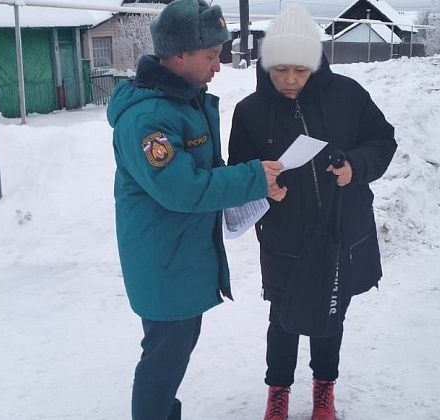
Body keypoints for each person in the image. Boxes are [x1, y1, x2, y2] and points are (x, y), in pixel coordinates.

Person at [107, 0, 286, 418]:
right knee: (162, 361)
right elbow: (184, 189)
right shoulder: (149, 119)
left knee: (173, 352)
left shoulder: (185, 102)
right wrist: (253, 179)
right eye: (211, 56)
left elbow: (205, 171)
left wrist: (254, 186)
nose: (218, 66)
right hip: (163, 262)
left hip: (180, 257)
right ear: (178, 56)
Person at [227, 5, 397, 420]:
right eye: (280, 69)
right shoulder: (249, 111)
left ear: (316, 65)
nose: (289, 80)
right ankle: (278, 393)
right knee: (282, 317)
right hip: (284, 235)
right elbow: (238, 171)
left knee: (331, 314)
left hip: (341, 229)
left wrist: (355, 167)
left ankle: (324, 389)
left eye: (300, 70)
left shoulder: (349, 96)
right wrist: (261, 185)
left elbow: (383, 141)